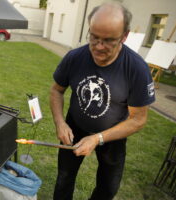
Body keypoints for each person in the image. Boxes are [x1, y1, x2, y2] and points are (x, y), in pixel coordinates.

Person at [50, 2, 155, 200]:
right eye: (94, 37)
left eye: (108, 41)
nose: (98, 47)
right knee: (64, 178)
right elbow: (56, 90)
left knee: (108, 188)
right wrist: (60, 123)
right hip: (74, 127)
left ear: (124, 36)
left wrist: (98, 138)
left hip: (113, 135)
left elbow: (138, 119)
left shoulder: (137, 69)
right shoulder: (74, 57)